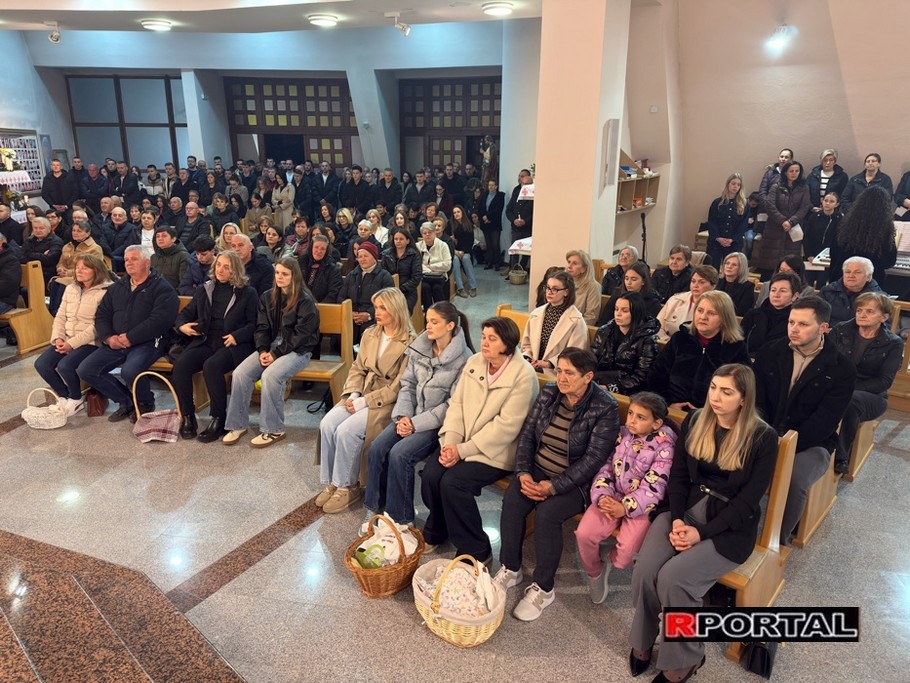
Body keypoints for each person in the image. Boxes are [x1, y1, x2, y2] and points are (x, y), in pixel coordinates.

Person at [630, 364, 779, 682]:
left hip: (728, 526)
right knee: (645, 569)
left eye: (727, 392)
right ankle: (643, 640)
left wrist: (701, 533)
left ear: (744, 398)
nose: (716, 397)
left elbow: (747, 502)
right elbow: (678, 476)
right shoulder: (697, 419)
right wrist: (677, 520)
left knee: (674, 578)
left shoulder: (763, 437)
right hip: (683, 510)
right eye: (713, 387)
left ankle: (686, 658)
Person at [493, 348, 619, 621]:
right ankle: (510, 569)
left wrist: (554, 486)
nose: (561, 378)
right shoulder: (550, 392)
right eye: (559, 370)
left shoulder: (605, 407)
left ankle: (544, 588)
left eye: (569, 373)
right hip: (538, 468)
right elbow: (528, 435)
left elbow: (594, 459)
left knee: (547, 515)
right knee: (513, 500)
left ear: (588, 377)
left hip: (577, 482)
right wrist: (523, 473)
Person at [421, 316, 539, 562]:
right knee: (431, 475)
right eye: (484, 337)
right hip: (461, 441)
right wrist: (451, 443)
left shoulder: (523, 375)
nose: (484, 343)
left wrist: (462, 451)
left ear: (507, 344)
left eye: (492, 339)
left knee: (453, 483)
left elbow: (506, 427)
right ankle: (439, 528)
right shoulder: (475, 362)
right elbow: (457, 405)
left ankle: (476, 548)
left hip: (497, 451)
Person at [753, 297, 855, 543]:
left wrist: (786, 445)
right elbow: (757, 401)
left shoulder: (841, 368)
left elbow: (825, 421)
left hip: (812, 443)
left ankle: (776, 542)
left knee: (794, 479)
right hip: (766, 431)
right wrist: (767, 438)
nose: (794, 329)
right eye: (791, 322)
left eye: (803, 324)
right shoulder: (770, 352)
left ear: (824, 328)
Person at [362, 302, 473, 527]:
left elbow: (452, 405)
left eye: (434, 322)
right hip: (409, 416)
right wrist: (403, 416)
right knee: (377, 448)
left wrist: (415, 424)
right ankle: (375, 508)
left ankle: (401, 519)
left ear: (450, 326)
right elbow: (408, 384)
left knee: (400, 454)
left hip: (436, 425)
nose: (428, 326)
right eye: (427, 320)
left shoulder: (465, 359)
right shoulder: (419, 348)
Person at [317, 288, 415, 513]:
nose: (376, 312)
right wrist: (353, 394)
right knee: (328, 423)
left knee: (347, 431)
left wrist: (364, 401)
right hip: (361, 392)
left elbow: (398, 386)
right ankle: (332, 481)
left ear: (396, 310)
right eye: (376, 307)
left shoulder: (411, 343)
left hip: (385, 401)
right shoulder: (370, 333)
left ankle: (347, 485)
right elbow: (357, 367)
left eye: (383, 308)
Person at [575, 391, 676, 604]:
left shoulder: (665, 447)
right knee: (584, 534)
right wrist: (603, 495)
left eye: (641, 417)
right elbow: (605, 467)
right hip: (613, 494)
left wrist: (625, 508)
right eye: (630, 413)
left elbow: (655, 486)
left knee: (626, 555)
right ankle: (595, 573)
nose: (632, 420)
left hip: (642, 505)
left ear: (656, 423)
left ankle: (609, 557)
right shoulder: (622, 434)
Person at [222, 258, 319, 448]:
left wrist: (275, 354)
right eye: (277, 273)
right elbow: (262, 328)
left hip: (299, 350)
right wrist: (263, 350)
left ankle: (274, 429)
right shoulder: (267, 297)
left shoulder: (306, 301)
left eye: (285, 274)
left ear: (294, 276)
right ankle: (237, 424)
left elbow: (301, 336)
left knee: (271, 376)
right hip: (272, 346)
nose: (279, 277)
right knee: (240, 373)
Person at [77, 245, 178, 422]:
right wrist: (108, 337)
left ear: (147, 263)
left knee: (130, 371)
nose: (128, 263)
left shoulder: (162, 288)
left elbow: (160, 321)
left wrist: (131, 337)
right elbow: (102, 315)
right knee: (86, 369)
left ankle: (145, 402)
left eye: (134, 259)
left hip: (148, 342)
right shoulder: (118, 287)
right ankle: (126, 401)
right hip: (116, 341)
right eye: (126, 260)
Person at [172, 250, 259, 442]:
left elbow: (254, 324)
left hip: (232, 344)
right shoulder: (205, 289)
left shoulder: (247, 293)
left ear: (235, 270)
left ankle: (218, 418)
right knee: (181, 365)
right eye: (218, 265)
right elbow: (185, 314)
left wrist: (237, 336)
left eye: (226, 267)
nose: (220, 270)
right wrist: (182, 325)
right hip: (206, 340)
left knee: (211, 366)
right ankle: (188, 416)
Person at [829, 292, 902, 473]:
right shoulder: (840, 330)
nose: (862, 314)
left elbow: (884, 381)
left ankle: (841, 456)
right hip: (837, 385)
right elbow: (826, 361)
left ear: (884, 317)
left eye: (870, 311)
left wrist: (848, 388)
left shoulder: (893, 343)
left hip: (871, 395)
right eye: (859, 310)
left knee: (851, 401)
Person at [34, 254, 113, 416]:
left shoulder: (106, 292)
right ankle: (64, 396)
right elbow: (60, 316)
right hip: (66, 338)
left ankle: (76, 399)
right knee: (42, 365)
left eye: (84, 268)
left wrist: (72, 344)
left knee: (65, 365)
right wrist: (58, 338)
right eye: (77, 267)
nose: (79, 271)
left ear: (96, 270)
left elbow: (98, 326)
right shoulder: (71, 288)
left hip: (91, 342)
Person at [649, 290, 750, 411]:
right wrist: (667, 403)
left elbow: (743, 388)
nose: (703, 317)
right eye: (700, 310)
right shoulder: (680, 338)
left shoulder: (736, 347)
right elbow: (656, 375)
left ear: (724, 318)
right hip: (672, 408)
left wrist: (708, 412)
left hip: (712, 413)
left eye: (711, 313)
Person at [591, 292, 659, 395]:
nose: (618, 314)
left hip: (629, 390)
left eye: (624, 310)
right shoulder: (604, 331)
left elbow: (641, 377)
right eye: (616, 309)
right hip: (600, 381)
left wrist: (611, 387)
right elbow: (591, 361)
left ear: (636, 312)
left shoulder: (647, 340)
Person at [521, 271, 589, 374]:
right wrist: (528, 358)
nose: (549, 292)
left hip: (557, 372)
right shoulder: (536, 313)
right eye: (548, 288)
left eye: (555, 289)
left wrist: (549, 363)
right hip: (532, 367)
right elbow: (526, 344)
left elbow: (575, 354)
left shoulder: (576, 321)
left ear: (566, 292)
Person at [829, 185, 897, 286]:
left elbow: (833, 253)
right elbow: (889, 261)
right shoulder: (884, 230)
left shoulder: (845, 225)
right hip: (870, 284)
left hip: (842, 281)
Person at [755, 160, 810, 277]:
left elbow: (804, 207)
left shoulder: (804, 188)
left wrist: (791, 221)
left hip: (793, 229)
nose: (794, 173)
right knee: (769, 266)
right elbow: (770, 206)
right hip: (774, 229)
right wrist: (783, 221)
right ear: (785, 172)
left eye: (797, 171)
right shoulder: (776, 186)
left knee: (789, 267)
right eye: (791, 171)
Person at [336, 241, 395, 344]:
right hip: (352, 318)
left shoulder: (385, 276)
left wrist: (369, 315)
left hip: (374, 319)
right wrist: (349, 312)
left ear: (374, 257)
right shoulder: (352, 275)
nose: (362, 259)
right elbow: (341, 297)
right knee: (339, 340)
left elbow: (388, 302)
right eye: (360, 257)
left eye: (366, 256)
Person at [48, 221, 104, 315]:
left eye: (79, 231)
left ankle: (58, 312)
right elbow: (60, 263)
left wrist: (69, 273)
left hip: (85, 278)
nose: (75, 233)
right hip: (65, 277)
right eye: (73, 230)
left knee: (61, 283)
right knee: (55, 282)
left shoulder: (95, 248)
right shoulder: (67, 247)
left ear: (88, 233)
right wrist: (60, 269)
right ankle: (52, 312)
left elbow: (93, 269)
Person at [741, 272, 801, 356]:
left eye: (782, 291)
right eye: (773, 290)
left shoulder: (797, 321)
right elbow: (739, 343)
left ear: (794, 296)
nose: (776, 295)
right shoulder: (753, 315)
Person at [655, 265, 717, 343]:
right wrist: (669, 343)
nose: (696, 285)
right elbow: (658, 326)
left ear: (713, 286)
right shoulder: (675, 300)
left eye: (701, 282)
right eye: (693, 281)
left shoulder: (719, 306)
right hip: (668, 343)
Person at [819, 256, 885, 327]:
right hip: (828, 331)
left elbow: (884, 326)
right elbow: (817, 317)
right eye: (847, 272)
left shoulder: (879, 298)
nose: (851, 275)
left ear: (868, 277)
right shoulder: (827, 291)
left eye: (857, 272)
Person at [598, 260, 663, 326]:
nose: (628, 283)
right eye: (626, 278)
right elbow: (604, 320)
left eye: (633, 279)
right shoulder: (617, 294)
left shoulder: (652, 303)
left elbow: (652, 327)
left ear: (643, 281)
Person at [706, 172, 750, 267]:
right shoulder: (717, 202)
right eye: (733, 183)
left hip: (733, 243)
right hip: (716, 241)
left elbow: (743, 224)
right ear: (728, 184)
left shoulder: (744, 204)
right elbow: (712, 221)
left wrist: (732, 239)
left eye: (738, 185)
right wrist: (718, 238)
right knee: (712, 267)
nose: (735, 186)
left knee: (731, 268)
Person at [802, 191, 842, 288]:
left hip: (828, 258)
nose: (827, 203)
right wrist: (809, 254)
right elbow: (806, 237)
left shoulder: (839, 219)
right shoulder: (814, 217)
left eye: (831, 201)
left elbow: (839, 240)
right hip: (812, 256)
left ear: (837, 204)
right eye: (826, 200)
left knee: (822, 284)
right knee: (807, 284)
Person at [381, 227, 422, 313]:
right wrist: (391, 289)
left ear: (408, 241)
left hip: (408, 291)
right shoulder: (386, 254)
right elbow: (383, 274)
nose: (398, 241)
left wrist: (401, 289)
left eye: (401, 239)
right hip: (389, 290)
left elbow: (417, 276)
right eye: (396, 239)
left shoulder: (414, 255)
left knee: (403, 312)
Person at [298, 234, 343, 303]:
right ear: (311, 248)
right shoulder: (301, 263)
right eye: (316, 247)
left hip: (322, 305)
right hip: (299, 303)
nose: (319, 251)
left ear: (326, 251)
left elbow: (334, 292)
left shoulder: (333, 269)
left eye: (322, 249)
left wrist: (320, 306)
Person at [416, 222, 452, 307]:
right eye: (425, 233)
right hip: (424, 276)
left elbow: (447, 265)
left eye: (430, 232)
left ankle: (441, 310)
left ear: (434, 233)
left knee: (437, 287)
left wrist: (431, 267)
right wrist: (429, 270)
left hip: (439, 276)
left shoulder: (443, 245)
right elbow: (416, 265)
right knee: (425, 287)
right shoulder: (417, 246)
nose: (427, 235)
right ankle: (428, 311)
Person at [20, 216, 63, 287]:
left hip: (47, 274)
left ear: (49, 229)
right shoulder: (29, 240)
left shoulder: (56, 241)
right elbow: (21, 257)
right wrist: (41, 255)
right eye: (35, 228)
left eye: (41, 228)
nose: (38, 230)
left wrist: (29, 254)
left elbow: (49, 260)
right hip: (29, 272)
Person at [565, 249, 601, 325]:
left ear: (584, 269)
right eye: (569, 262)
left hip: (578, 328)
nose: (569, 266)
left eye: (574, 263)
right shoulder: (563, 283)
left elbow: (591, 318)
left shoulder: (593, 286)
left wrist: (569, 326)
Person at [449, 205, 477, 298]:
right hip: (454, 251)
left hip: (466, 251)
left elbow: (470, 242)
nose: (456, 214)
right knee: (455, 260)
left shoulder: (468, 225)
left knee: (466, 258)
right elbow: (448, 241)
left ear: (462, 213)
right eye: (454, 213)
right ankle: (460, 288)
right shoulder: (450, 224)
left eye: (458, 212)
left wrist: (463, 251)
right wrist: (455, 251)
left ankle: (473, 287)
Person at [150, 226, 191, 290]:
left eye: (164, 236)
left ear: (173, 239)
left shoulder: (183, 256)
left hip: (174, 292)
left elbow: (184, 283)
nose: (160, 239)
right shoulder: (153, 257)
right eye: (157, 236)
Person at [716, 252, 754, 316]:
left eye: (734, 265)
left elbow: (742, 311)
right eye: (727, 263)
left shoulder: (748, 287)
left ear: (741, 268)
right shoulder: (717, 281)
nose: (729, 266)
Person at [480, 178, 505, 269]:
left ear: (496, 186)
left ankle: (497, 262)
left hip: (495, 223)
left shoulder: (500, 196)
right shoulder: (485, 195)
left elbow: (498, 209)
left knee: (495, 244)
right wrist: (484, 216)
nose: (490, 187)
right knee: (489, 244)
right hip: (485, 223)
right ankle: (489, 262)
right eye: (489, 185)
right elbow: (481, 207)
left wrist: (488, 217)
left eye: (492, 185)